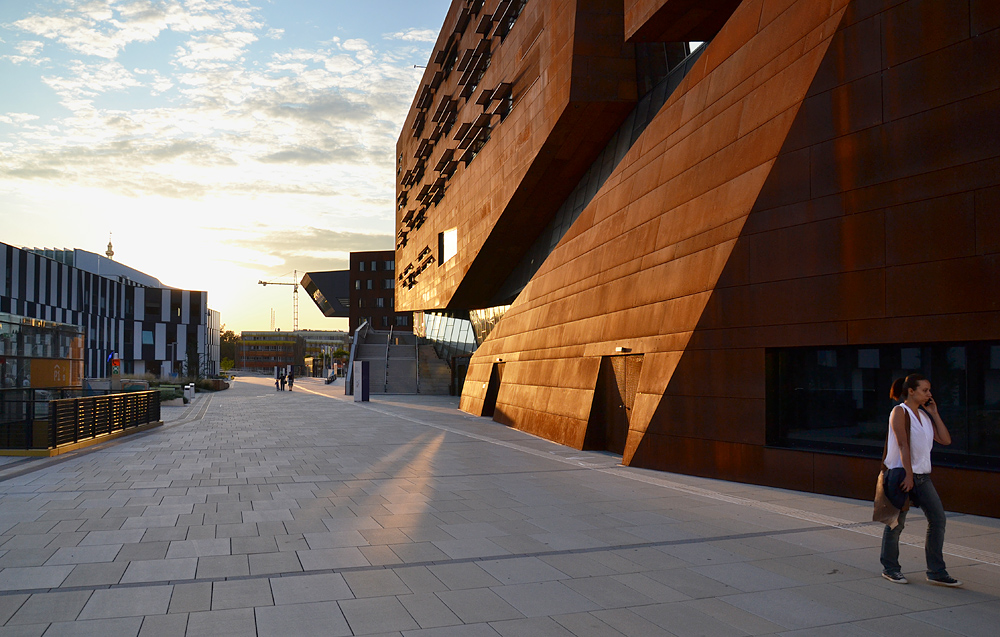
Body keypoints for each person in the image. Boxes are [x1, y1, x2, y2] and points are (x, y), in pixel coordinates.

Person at [880, 373, 961, 587]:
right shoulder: (899, 411)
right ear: (911, 391)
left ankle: (936, 571)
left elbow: (945, 439)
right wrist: (908, 475)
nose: (929, 394)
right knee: (896, 524)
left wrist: (934, 413)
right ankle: (891, 569)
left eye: (929, 390)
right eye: (925, 390)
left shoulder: (925, 416)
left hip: (923, 476)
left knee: (938, 519)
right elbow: (902, 445)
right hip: (901, 475)